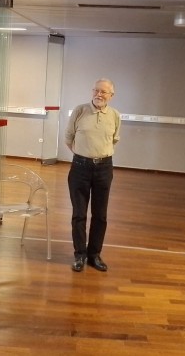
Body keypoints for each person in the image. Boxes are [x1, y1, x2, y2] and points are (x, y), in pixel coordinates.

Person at [64, 78, 121, 273]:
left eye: (103, 92)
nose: (99, 94)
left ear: (111, 95)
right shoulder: (80, 111)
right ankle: (80, 254)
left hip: (104, 169)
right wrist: (83, 156)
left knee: (100, 215)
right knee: (79, 214)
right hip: (80, 167)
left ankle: (94, 255)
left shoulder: (115, 115)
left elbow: (114, 140)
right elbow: (68, 138)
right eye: (96, 90)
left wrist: (98, 156)